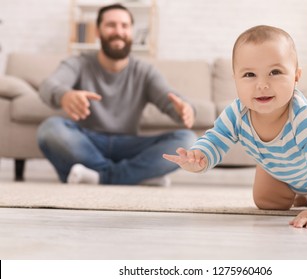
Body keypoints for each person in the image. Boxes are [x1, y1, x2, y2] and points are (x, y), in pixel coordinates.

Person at [163, 25, 307, 229]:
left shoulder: (304, 117)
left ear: (296, 77)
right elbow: (217, 137)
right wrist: (200, 156)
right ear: (235, 80)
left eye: (275, 72)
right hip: (278, 170)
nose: (262, 84)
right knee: (266, 202)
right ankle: (300, 194)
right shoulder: (237, 114)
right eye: (249, 75)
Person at [37, 3, 197, 186]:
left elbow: (171, 100)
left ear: (131, 31)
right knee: (49, 129)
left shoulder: (144, 71)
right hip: (88, 143)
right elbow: (48, 85)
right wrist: (64, 95)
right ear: (98, 31)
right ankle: (136, 176)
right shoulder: (79, 63)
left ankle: (98, 176)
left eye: (124, 26)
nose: (118, 31)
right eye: (111, 25)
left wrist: (186, 110)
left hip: (129, 145)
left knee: (188, 140)